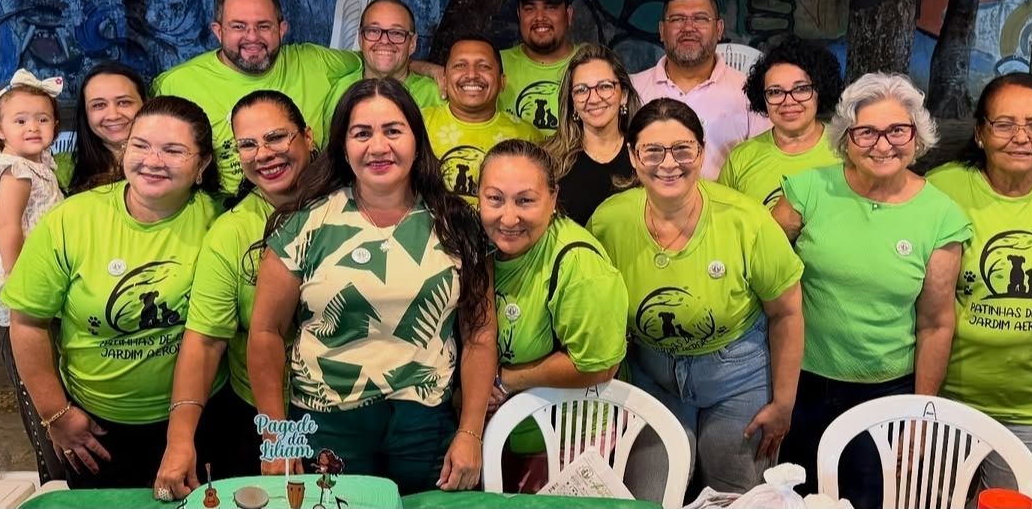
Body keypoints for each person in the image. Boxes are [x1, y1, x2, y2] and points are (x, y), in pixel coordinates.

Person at [247, 78, 496, 494]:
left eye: (393, 131)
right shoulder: (306, 222)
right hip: (325, 424)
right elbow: (266, 332)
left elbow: (481, 334)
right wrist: (276, 435)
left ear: (417, 140)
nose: (378, 147)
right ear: (343, 146)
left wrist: (470, 433)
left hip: (426, 423)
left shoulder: (458, 224)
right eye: (362, 133)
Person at [1, 96, 223, 492]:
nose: (153, 160)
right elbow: (28, 322)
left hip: (203, 418)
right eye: (140, 145)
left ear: (202, 164)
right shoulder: (73, 219)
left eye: (173, 150)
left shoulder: (220, 222)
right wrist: (56, 414)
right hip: (96, 430)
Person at [588, 98, 804, 495]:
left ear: (701, 153)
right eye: (652, 150)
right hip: (653, 376)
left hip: (739, 377)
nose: (668, 163)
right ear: (633, 157)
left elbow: (787, 313)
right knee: (648, 493)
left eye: (682, 149)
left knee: (735, 496)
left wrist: (784, 404)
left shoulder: (746, 220)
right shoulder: (609, 222)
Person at [772, 73, 970, 504]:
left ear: (917, 137)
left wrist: (920, 414)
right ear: (846, 137)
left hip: (885, 394)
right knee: (794, 496)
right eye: (867, 132)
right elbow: (762, 275)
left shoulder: (941, 217)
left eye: (898, 130)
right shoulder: (808, 191)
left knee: (868, 498)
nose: (883, 144)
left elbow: (936, 324)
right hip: (799, 384)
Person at [154, 90, 315, 499]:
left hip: (352, 413)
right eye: (248, 144)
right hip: (262, 416)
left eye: (277, 137)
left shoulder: (352, 202)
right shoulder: (231, 231)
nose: (264, 154)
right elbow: (206, 340)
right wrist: (179, 439)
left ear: (308, 137)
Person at [478, 139, 628, 491]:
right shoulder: (476, 244)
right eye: (495, 199)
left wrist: (504, 380)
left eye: (525, 200)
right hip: (500, 436)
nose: (508, 217)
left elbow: (596, 365)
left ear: (553, 198)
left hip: (570, 441)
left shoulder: (578, 263)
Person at [926, 73, 1032, 491]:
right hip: (947, 399)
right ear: (980, 132)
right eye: (1005, 124)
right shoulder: (944, 187)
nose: (1022, 137)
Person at [153, 0, 361, 194]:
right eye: (238, 26)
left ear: (281, 29)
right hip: (231, 209)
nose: (252, 37)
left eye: (263, 26)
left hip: (316, 200)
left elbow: (378, 61)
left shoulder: (316, 62)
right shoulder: (176, 85)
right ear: (218, 31)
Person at [0, 69, 65, 483]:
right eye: (21, 120)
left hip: (43, 268)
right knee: (34, 349)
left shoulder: (40, 161)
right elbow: (10, 227)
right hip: (23, 273)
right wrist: (18, 279)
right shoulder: (16, 170)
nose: (33, 127)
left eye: (43, 119)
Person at [631, 0, 771, 180]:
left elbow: (763, 165)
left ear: (719, 28)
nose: (689, 28)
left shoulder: (749, 92)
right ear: (662, 30)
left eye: (700, 18)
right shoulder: (633, 89)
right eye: (678, 19)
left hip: (726, 208)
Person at [718, 37, 842, 208]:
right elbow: (722, 222)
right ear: (763, 98)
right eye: (775, 92)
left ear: (819, 91)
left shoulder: (847, 149)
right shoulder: (741, 158)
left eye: (800, 89)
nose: (788, 101)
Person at [423, 34, 541, 204]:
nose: (471, 74)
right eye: (460, 65)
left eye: (484, 66)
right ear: (444, 79)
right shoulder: (416, 124)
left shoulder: (527, 136)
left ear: (502, 82)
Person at [543, 43, 642, 225]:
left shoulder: (646, 154)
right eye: (581, 90)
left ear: (624, 95)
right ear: (572, 101)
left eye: (604, 87)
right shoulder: (549, 161)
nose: (594, 99)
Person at [497, 0, 577, 136]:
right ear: (519, 15)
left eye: (550, 7)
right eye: (529, 9)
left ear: (568, 14)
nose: (540, 17)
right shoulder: (493, 65)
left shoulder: (594, 62)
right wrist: (430, 69)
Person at [326, 0, 443, 110]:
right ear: (360, 39)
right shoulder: (342, 91)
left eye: (396, 33)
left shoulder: (433, 95)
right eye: (373, 31)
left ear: (412, 43)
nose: (384, 41)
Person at [58, 62, 147, 193]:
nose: (113, 115)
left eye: (124, 102)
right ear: (85, 114)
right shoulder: (60, 168)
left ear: (146, 104)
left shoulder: (169, 162)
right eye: (99, 105)